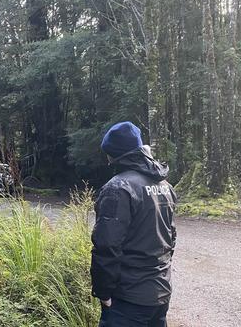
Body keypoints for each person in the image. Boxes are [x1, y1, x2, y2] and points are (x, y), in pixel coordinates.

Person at [91, 121, 177, 327]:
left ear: (113, 154)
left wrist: (103, 293)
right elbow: (170, 238)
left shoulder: (118, 188)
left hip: (127, 300)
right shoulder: (165, 186)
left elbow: (106, 246)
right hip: (160, 293)